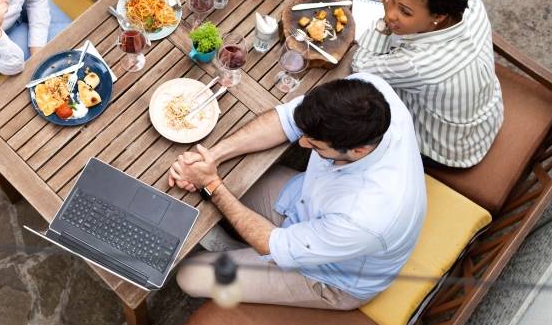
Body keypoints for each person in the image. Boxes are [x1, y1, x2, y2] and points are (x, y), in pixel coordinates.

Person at [167, 74, 427, 309]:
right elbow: (285, 122)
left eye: (314, 144)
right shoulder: (368, 93)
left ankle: (237, 249)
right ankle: (244, 249)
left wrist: (212, 184)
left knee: (189, 275)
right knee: (237, 179)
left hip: (328, 273)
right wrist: (212, 158)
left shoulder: (366, 216)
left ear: (358, 150)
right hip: (306, 201)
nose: (300, 142)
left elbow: (272, 244)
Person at [352, 0, 502, 168]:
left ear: (438, 17)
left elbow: (360, 66)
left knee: (352, 112)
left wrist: (384, 22)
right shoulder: (470, 1)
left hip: (446, 150)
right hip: (487, 116)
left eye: (404, 11)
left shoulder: (419, 65)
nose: (392, 12)